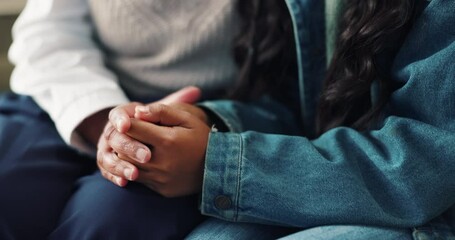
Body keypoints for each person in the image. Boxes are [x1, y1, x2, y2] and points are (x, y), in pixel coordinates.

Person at [98, 0, 455, 239]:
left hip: (429, 214)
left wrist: (221, 163)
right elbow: (294, 110)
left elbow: (425, 166)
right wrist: (207, 126)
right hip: (330, 184)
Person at [0, 0, 246, 239]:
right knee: (8, 186)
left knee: (111, 219)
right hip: (71, 89)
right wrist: (107, 119)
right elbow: (48, 31)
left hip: (198, 117)